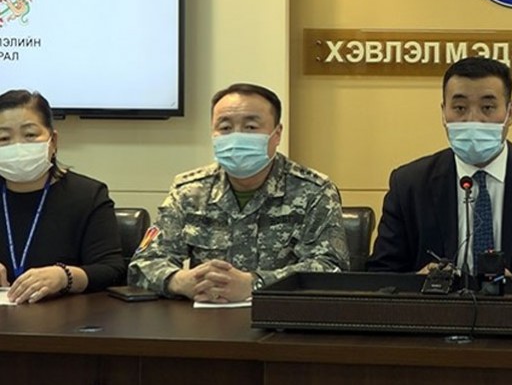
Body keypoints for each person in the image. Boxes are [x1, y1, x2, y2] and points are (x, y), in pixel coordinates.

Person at [367, 57, 512, 277]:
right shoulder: (409, 184)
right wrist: (419, 287)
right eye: (460, 108)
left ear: (510, 112)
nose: (473, 119)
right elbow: (380, 278)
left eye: (488, 108)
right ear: (443, 112)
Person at [128, 83, 349, 302]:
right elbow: (143, 264)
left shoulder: (313, 190)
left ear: (277, 134)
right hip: (205, 317)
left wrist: (255, 284)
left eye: (251, 127)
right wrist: (180, 281)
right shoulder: (189, 191)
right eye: (225, 128)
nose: (236, 137)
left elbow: (331, 269)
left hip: (280, 317)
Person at [0, 89, 125, 304]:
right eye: (3, 138)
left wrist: (64, 277)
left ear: (53, 141)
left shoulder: (88, 195)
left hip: (66, 318)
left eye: (30, 135)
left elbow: (112, 270)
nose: (18, 146)